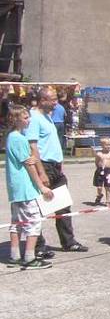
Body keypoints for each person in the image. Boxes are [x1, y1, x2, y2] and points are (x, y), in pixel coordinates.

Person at [28, 87, 87, 257]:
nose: (56, 102)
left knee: (63, 206)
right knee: (38, 208)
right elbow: (33, 147)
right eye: (52, 99)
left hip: (55, 167)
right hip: (44, 167)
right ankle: (37, 246)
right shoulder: (34, 118)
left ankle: (68, 242)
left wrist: (59, 163)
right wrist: (42, 172)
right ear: (42, 100)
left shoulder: (47, 116)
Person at [5, 105, 54, 269]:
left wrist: (32, 157)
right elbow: (29, 165)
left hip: (16, 189)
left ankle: (14, 255)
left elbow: (28, 159)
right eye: (25, 118)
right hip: (26, 188)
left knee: (16, 222)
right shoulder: (18, 138)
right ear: (15, 119)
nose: (29, 120)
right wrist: (42, 187)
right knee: (34, 223)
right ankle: (29, 257)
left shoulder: (11, 137)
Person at [93, 137, 110, 206]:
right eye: (106, 145)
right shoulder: (99, 154)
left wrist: (109, 169)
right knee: (99, 187)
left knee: (107, 187)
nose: (108, 146)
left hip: (108, 171)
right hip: (100, 171)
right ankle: (99, 195)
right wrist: (99, 169)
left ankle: (107, 200)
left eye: (109, 145)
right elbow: (96, 162)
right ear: (102, 145)